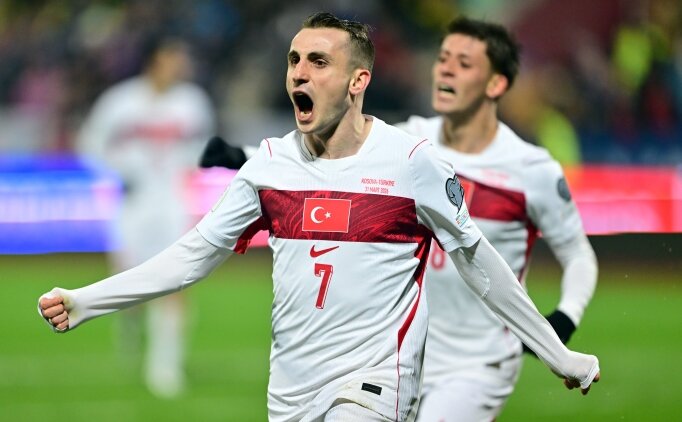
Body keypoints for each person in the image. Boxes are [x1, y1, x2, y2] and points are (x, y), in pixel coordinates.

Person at [40, 12, 599, 422]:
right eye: (294, 60)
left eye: (319, 62)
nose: (299, 74)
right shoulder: (269, 166)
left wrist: (558, 352)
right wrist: (88, 300)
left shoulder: (412, 163)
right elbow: (191, 258)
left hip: (375, 386)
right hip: (291, 392)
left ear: (359, 81)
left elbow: (481, 264)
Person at [393, 17, 599, 421]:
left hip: (478, 364)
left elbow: (578, 253)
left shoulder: (531, 169)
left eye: (464, 63)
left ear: (495, 84)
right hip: (399, 353)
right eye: (443, 58)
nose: (446, 70)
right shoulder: (404, 142)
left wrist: (565, 316)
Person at [75, 35, 217, 398]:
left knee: (176, 280)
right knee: (128, 280)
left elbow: (203, 145)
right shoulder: (120, 101)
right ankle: (131, 324)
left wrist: (190, 165)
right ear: (154, 60)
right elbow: (89, 142)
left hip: (171, 203)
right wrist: (118, 171)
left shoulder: (192, 102)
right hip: (133, 204)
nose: (180, 65)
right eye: (173, 57)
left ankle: (165, 367)